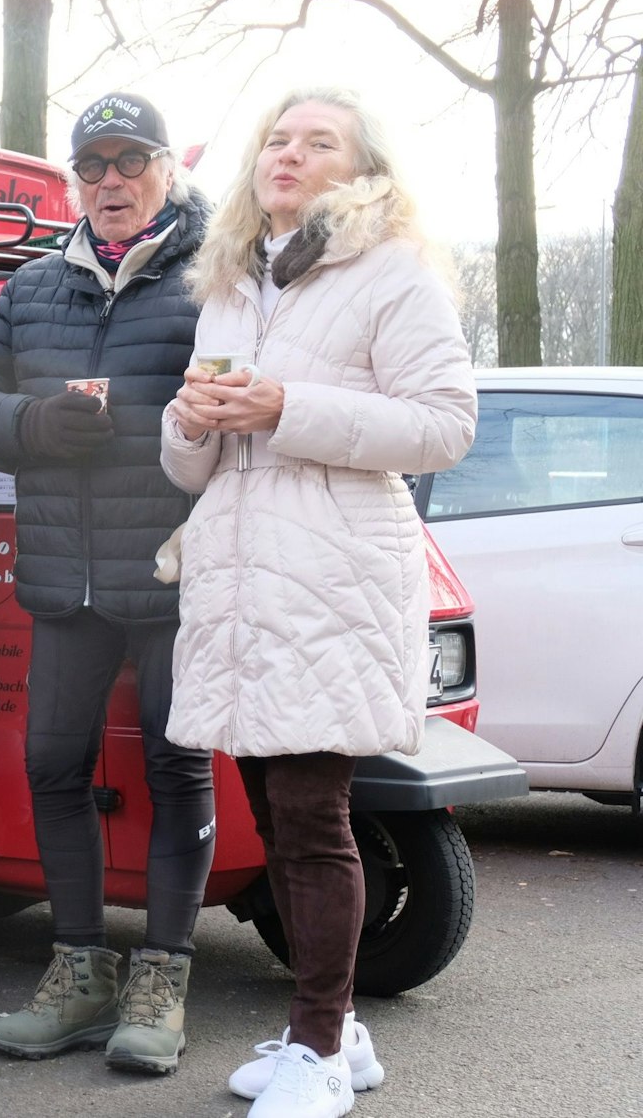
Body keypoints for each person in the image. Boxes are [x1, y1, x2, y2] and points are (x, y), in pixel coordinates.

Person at [163, 86, 475, 1118]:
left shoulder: (390, 273)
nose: (287, 154)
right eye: (275, 139)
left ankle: (318, 1050)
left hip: (330, 576)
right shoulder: (230, 284)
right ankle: (340, 1027)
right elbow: (187, 467)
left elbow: (439, 427)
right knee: (271, 809)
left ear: (358, 168)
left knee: (308, 817)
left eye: (317, 141)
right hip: (240, 579)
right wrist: (191, 418)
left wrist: (284, 406)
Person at [0, 91, 216, 1073]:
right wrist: (32, 426)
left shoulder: (212, 278)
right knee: (52, 768)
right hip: (63, 581)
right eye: (90, 165)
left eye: (127, 161)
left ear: (164, 168)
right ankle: (80, 968)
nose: (108, 182)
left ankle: (162, 976)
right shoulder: (32, 288)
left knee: (177, 770)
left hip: (174, 576)